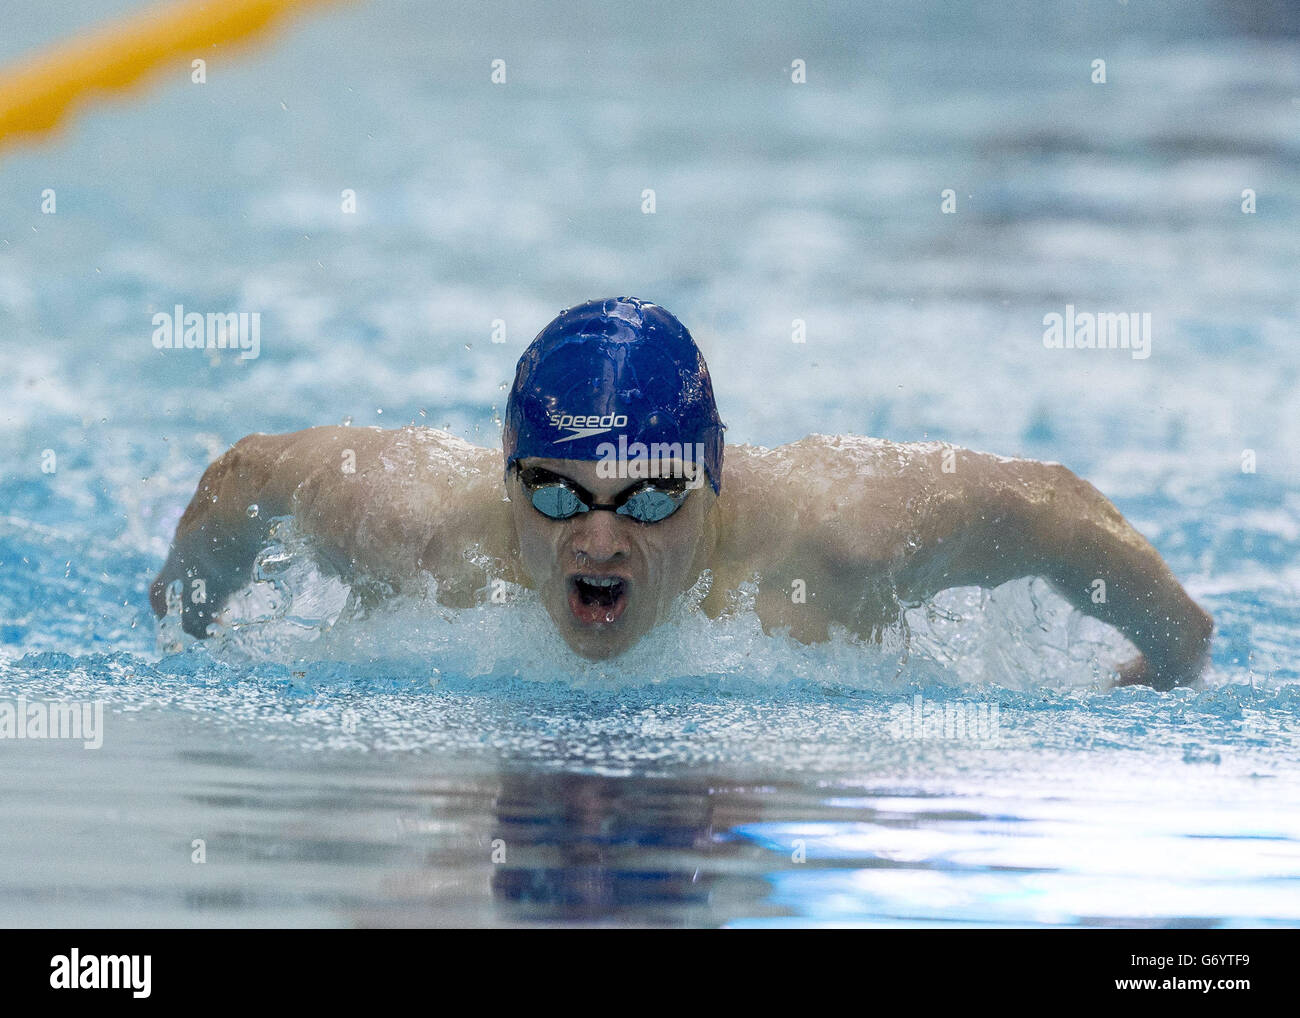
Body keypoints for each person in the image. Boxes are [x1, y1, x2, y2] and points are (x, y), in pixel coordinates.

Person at [150, 296, 1213, 688]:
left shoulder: (833, 549)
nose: (598, 541)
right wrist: (184, 630)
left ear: (715, 479)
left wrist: (1168, 663)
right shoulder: (421, 531)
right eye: (559, 498)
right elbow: (248, 475)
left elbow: (1050, 507)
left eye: (650, 499)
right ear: (505, 477)